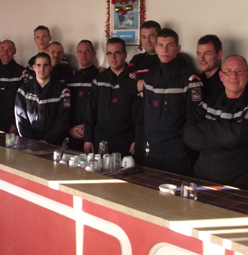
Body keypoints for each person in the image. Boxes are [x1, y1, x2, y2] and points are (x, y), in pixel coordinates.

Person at [184, 55, 248, 192]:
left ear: (247, 76)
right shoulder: (208, 103)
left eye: (239, 71)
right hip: (203, 182)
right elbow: (188, 135)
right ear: (221, 76)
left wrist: (204, 127)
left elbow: (237, 136)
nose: (233, 76)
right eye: (228, 71)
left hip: (242, 186)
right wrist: (227, 138)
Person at [133, 28, 202, 175]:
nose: (164, 49)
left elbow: (194, 119)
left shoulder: (189, 79)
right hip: (151, 149)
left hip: (176, 153)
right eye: (160, 45)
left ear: (178, 48)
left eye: (169, 45)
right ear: (156, 48)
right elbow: (148, 113)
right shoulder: (150, 76)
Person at [84, 38, 135, 156]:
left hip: (127, 141)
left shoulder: (133, 79)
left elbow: (141, 113)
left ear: (125, 54)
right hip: (101, 140)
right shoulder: (99, 80)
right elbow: (90, 111)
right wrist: (88, 139)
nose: (113, 57)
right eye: (109, 53)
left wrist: (138, 139)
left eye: (117, 53)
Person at [15, 52, 70, 145]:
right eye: (39, 65)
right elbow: (20, 118)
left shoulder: (62, 91)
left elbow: (62, 120)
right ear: (34, 67)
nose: (42, 69)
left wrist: (47, 140)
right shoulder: (23, 90)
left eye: (45, 65)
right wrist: (31, 140)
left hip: (54, 143)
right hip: (29, 143)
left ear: (50, 67)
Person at [127, 20, 161, 165]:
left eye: (152, 36)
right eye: (144, 37)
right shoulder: (137, 59)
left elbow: (164, 87)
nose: (148, 40)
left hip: (162, 126)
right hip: (140, 125)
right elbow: (127, 87)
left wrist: (141, 86)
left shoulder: (168, 58)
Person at [65, 40, 100, 150]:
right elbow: (64, 108)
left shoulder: (101, 78)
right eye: (80, 51)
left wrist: (89, 129)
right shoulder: (70, 80)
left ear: (93, 53)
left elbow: (103, 109)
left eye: (87, 51)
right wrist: (69, 128)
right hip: (72, 134)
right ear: (76, 55)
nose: (83, 55)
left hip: (94, 135)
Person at [0, 40, 29, 133]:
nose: (5, 52)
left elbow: (25, 102)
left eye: (9, 49)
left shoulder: (22, 72)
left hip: (13, 123)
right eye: (2, 49)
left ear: (14, 51)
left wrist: (15, 123)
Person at [196, 34, 224, 104]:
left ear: (219, 55)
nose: (201, 59)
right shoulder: (195, 81)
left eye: (207, 54)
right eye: (199, 54)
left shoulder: (227, 83)